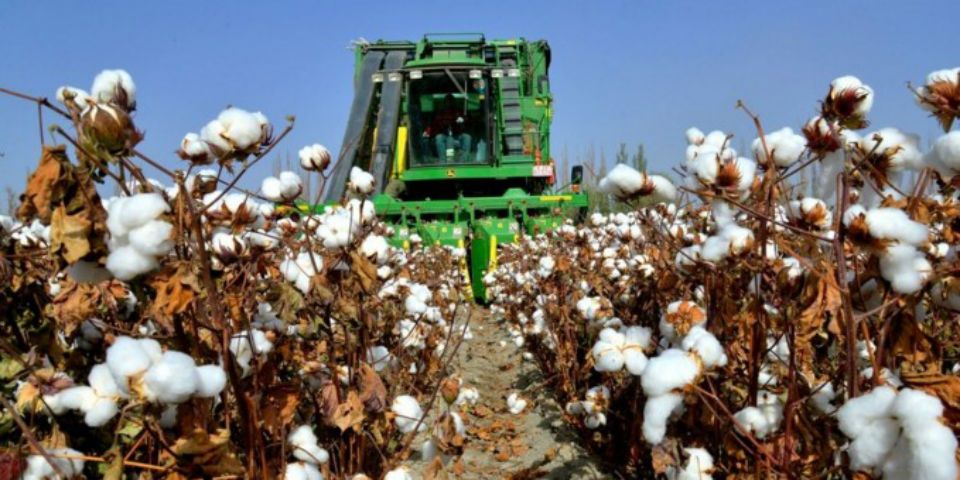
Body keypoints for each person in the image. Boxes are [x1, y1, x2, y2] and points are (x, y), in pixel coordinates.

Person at [423, 94, 472, 161]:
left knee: (467, 137)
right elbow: (435, 124)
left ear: (454, 102)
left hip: (457, 134)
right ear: (444, 103)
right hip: (444, 134)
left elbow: (467, 120)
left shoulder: (459, 112)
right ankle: (443, 160)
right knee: (440, 137)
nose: (449, 103)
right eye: (448, 101)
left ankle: (463, 160)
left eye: (451, 101)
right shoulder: (440, 113)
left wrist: (463, 120)